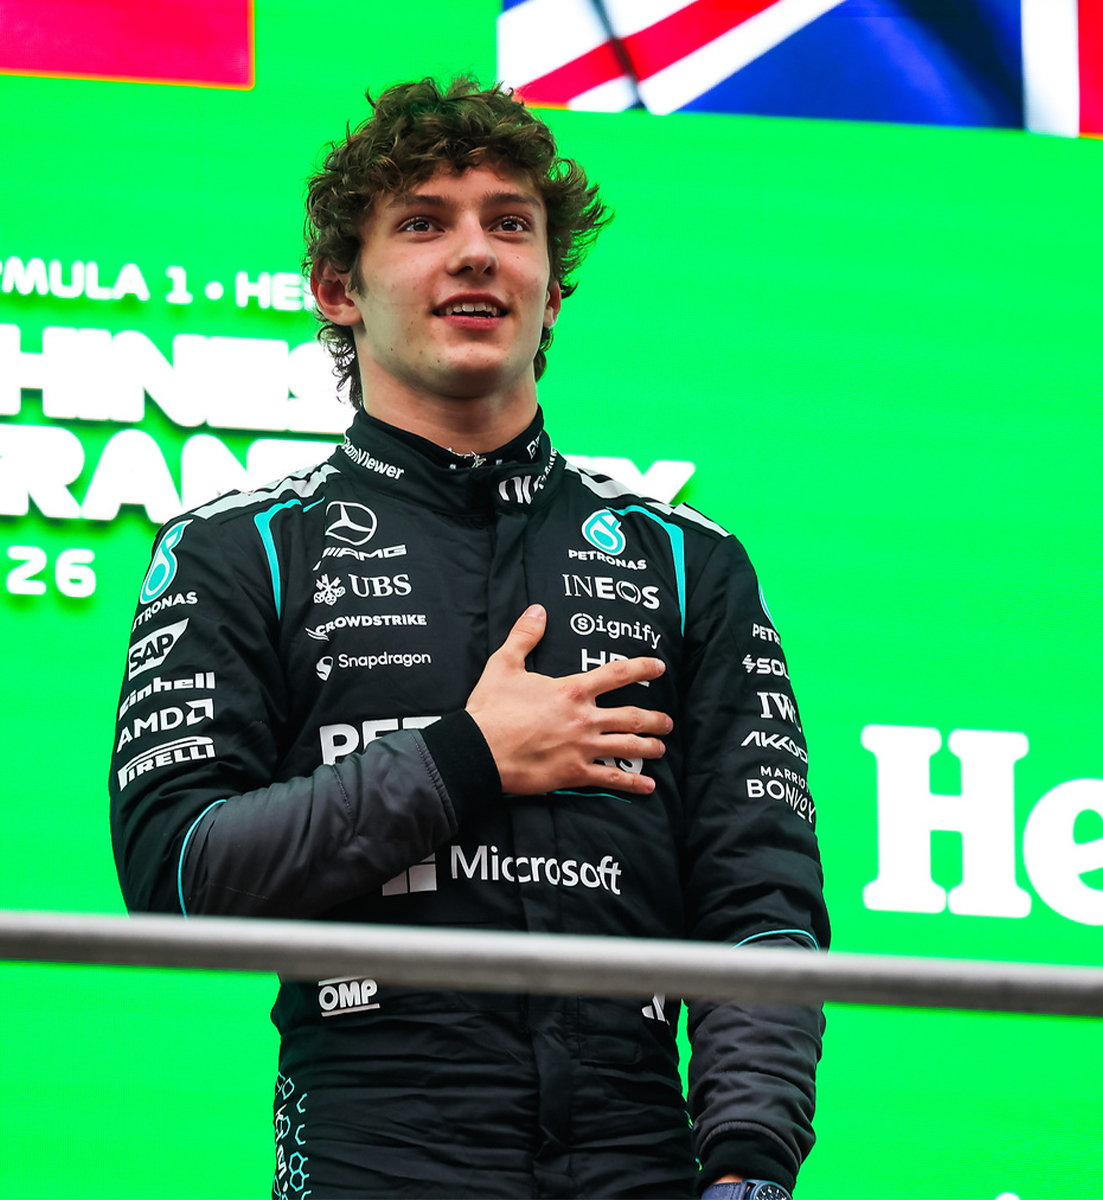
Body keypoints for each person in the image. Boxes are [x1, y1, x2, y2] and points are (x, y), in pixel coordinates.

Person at [108, 76, 826, 1200]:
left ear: (553, 290)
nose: (476, 252)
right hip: (374, 1146)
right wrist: (468, 757)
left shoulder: (690, 563)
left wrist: (747, 1168)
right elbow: (176, 874)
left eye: (509, 223)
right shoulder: (238, 550)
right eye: (424, 222)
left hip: (646, 1158)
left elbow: (761, 913)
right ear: (337, 288)